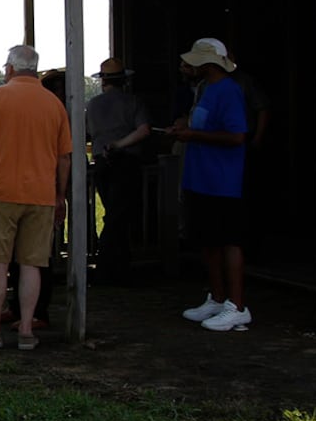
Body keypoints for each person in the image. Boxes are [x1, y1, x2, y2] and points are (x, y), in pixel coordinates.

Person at [0, 44, 72, 351]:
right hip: (40, 195)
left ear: (10, 68)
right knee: (31, 264)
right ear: (35, 70)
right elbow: (64, 157)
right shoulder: (53, 104)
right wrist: (59, 195)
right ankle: (27, 330)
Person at [165, 38, 253, 332]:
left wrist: (193, 136)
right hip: (200, 178)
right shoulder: (205, 90)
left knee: (229, 240)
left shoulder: (228, 91)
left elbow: (237, 136)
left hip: (223, 181)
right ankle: (217, 297)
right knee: (207, 240)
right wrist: (184, 131)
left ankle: (237, 306)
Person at [88, 57, 151, 281]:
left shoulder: (93, 105)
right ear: (123, 80)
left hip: (102, 164)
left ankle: (116, 267)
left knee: (114, 213)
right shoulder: (133, 102)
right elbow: (144, 130)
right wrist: (119, 144)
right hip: (127, 162)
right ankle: (110, 267)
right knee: (119, 216)